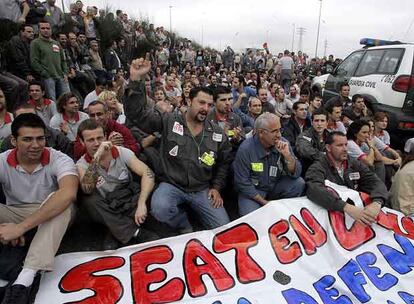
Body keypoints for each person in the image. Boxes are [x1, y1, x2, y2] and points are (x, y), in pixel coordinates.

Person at [125, 58, 232, 231]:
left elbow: (224, 163)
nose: (206, 108)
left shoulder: (218, 134)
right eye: (201, 103)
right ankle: (183, 224)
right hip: (172, 185)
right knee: (160, 209)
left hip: (201, 189)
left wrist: (216, 187)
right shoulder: (168, 121)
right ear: (189, 101)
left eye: (210, 105)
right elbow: (137, 115)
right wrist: (136, 80)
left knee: (224, 228)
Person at [0, 113, 78, 304]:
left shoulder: (59, 158)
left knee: (62, 202)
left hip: (50, 213)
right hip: (16, 212)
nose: (35, 145)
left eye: (40, 138)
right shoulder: (2, 160)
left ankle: (25, 278)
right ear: (13, 141)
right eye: (27, 139)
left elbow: (68, 193)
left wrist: (20, 228)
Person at [76, 119, 155, 245]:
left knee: (150, 192)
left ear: (106, 137)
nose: (97, 143)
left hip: (128, 198)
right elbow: (87, 188)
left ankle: (115, 230)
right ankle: (135, 232)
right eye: (90, 140)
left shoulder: (121, 151)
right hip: (107, 204)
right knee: (89, 201)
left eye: (100, 138)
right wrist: (97, 156)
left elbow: (147, 173)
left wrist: (141, 204)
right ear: (82, 142)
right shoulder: (81, 164)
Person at [306, 131, 388, 225]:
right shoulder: (318, 166)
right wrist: (346, 207)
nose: (345, 149)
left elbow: (376, 182)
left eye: (346, 145)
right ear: (328, 148)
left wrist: (377, 203)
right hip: (332, 221)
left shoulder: (354, 163)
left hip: (358, 219)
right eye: (340, 145)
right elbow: (314, 189)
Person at [233, 112, 304, 216]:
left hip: (274, 186)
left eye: (280, 130)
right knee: (250, 218)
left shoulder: (283, 142)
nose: (279, 135)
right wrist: (265, 203)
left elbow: (296, 173)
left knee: (298, 183)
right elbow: (242, 183)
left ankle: (286, 213)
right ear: (261, 133)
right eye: (275, 131)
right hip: (254, 192)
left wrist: (288, 156)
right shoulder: (246, 149)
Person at [0, 104, 74, 158]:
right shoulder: (7, 143)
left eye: (32, 117)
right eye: (22, 118)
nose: (28, 121)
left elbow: (70, 161)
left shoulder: (57, 137)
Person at [74, 100, 138, 160]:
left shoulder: (118, 128)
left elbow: (135, 150)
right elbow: (77, 154)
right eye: (92, 115)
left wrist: (120, 146)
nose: (96, 118)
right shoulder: (84, 129)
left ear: (107, 114)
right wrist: (108, 144)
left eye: (99, 114)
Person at [30, 20, 70, 102]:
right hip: (48, 78)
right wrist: (45, 73)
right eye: (43, 28)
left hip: (61, 76)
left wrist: (65, 73)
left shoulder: (56, 43)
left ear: (51, 29)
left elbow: (63, 60)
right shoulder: (35, 43)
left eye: (48, 28)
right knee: (52, 101)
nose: (45, 30)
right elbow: (34, 61)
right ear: (39, 30)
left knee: (68, 99)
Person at [296, 108, 329, 174]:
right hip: (308, 170)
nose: (319, 124)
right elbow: (305, 151)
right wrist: (327, 156)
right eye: (316, 120)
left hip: (327, 171)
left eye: (322, 121)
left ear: (327, 123)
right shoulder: (304, 136)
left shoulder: (331, 136)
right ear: (312, 122)